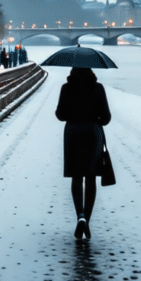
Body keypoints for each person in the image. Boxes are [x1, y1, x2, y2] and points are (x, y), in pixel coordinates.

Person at [55, 67, 112, 240]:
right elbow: (107, 117)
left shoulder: (66, 88)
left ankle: (79, 214)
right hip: (93, 133)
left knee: (76, 176)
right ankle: (86, 218)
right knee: (91, 176)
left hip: (73, 132)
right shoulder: (98, 87)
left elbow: (60, 115)